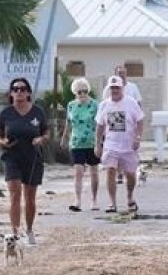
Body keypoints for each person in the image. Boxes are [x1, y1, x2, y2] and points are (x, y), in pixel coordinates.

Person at [0, 77, 50, 245]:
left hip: (33, 157)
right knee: (15, 194)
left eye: (23, 89)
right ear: (11, 93)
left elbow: (46, 133)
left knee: (30, 197)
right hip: (12, 156)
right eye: (16, 89)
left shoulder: (37, 112)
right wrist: (2, 142)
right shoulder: (5, 113)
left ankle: (30, 229)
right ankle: (15, 232)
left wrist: (41, 139)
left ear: (28, 93)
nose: (19, 92)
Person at [95, 75, 145, 213]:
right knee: (110, 170)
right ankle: (112, 202)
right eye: (112, 88)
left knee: (130, 174)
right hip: (111, 145)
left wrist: (138, 137)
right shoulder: (104, 105)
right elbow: (99, 126)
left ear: (122, 88)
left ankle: (130, 196)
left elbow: (140, 121)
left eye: (117, 88)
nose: (115, 90)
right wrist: (97, 144)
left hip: (128, 145)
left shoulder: (131, 103)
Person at [61, 77, 100, 212]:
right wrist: (64, 137)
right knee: (78, 172)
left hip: (92, 141)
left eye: (84, 91)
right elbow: (68, 122)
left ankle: (94, 200)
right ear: (75, 93)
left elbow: (100, 124)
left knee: (94, 172)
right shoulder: (71, 105)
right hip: (76, 142)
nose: (82, 94)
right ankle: (77, 201)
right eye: (79, 92)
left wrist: (101, 141)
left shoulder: (95, 104)